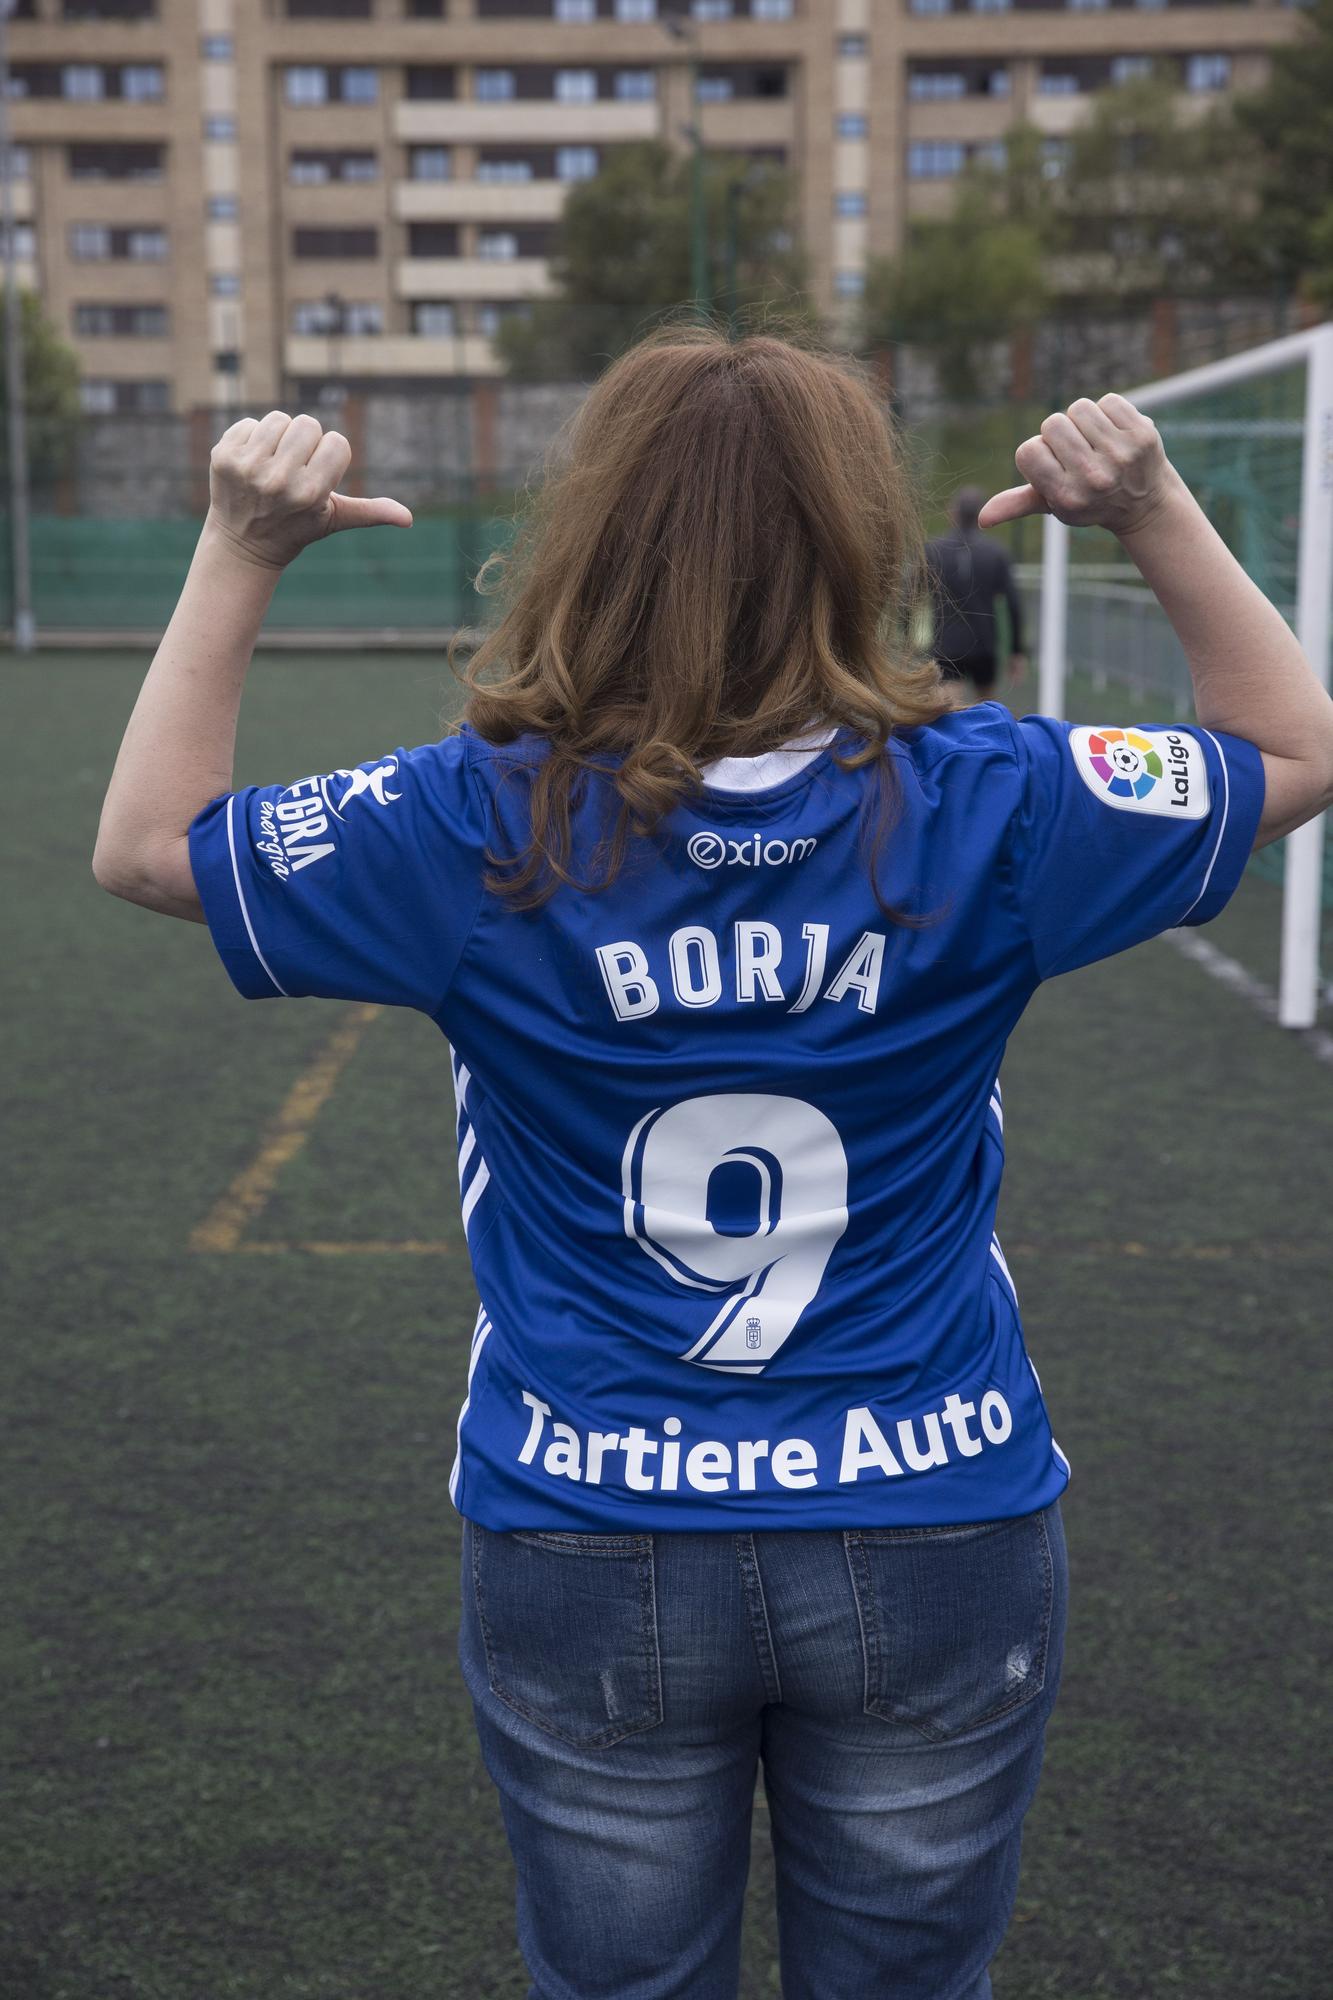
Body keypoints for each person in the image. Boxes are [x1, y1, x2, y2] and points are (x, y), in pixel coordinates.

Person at [93, 326, 1333, 2000]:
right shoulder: (991, 798)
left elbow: (153, 846)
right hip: (938, 1504)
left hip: (586, 1521)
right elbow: (1293, 750)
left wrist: (237, 547)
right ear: (861, 548)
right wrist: (1158, 510)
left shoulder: (479, 818)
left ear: (585, 539)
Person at [924, 483, 1028, 694]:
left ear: (952, 512)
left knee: (947, 714)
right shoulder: (996, 552)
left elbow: (909, 598)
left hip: (947, 645)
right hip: (984, 644)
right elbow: (1013, 603)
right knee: (986, 712)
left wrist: (910, 641)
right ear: (981, 513)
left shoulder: (933, 550)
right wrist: (1016, 651)